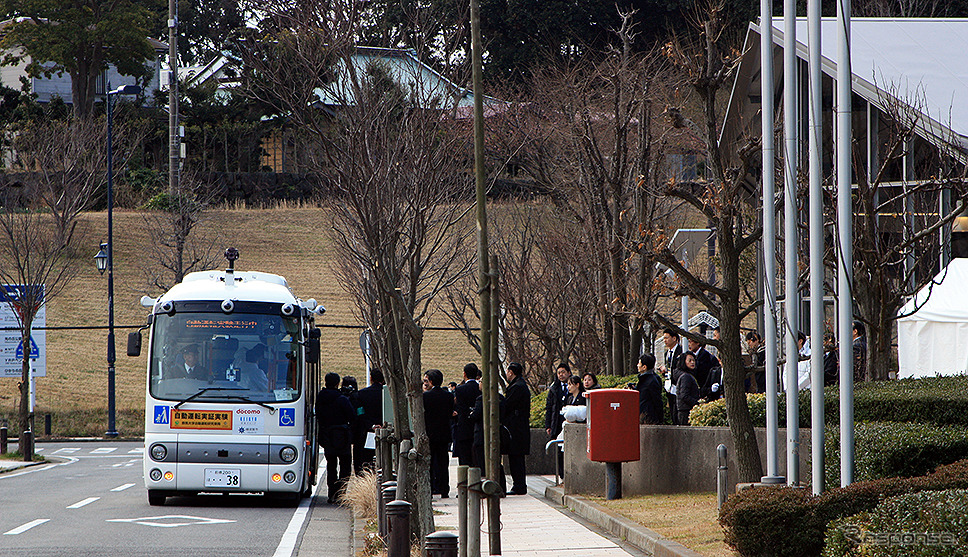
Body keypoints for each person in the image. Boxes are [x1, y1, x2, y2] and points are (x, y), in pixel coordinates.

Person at [316, 372, 355, 503]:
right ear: (337, 383)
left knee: (331, 465)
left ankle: (331, 492)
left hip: (327, 435)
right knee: (345, 466)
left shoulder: (321, 397)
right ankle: (341, 492)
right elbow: (352, 416)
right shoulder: (342, 399)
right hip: (342, 436)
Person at [423, 369, 454, 498]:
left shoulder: (425, 396)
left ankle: (429, 489)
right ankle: (444, 489)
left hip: (429, 433)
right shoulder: (448, 395)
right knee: (443, 462)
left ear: (431, 381)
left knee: (429, 463)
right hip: (444, 433)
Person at [501, 362, 531, 495]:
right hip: (519, 427)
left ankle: (519, 485)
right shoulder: (519, 385)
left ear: (511, 372)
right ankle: (518, 485)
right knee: (516, 458)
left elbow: (508, 406)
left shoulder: (517, 387)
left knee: (516, 458)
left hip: (516, 428)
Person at [355, 368, 385, 473]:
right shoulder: (388, 394)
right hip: (386, 430)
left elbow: (360, 414)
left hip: (367, 432)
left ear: (371, 378)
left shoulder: (362, 394)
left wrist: (371, 425)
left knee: (366, 463)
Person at [453, 363, 481, 466]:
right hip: (478, 427)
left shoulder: (460, 389)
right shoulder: (480, 388)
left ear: (464, 374)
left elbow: (460, 408)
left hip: (464, 427)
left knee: (465, 458)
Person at [658, 328, 683, 424]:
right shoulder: (667, 353)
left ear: (674, 338)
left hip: (677, 384)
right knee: (672, 410)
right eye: (663, 338)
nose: (665, 341)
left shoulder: (681, 351)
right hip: (669, 385)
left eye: (667, 338)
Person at [341, 375, 364, 471]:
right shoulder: (358, 397)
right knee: (358, 454)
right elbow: (361, 413)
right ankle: (357, 470)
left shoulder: (340, 397)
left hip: (342, 430)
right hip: (357, 430)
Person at [632, 354, 663, 424]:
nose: (637, 365)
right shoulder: (643, 379)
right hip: (643, 414)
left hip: (648, 417)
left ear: (644, 367)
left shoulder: (652, 381)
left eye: (639, 363)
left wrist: (660, 418)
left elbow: (657, 401)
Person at [544, 363, 571, 437]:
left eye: (563, 372)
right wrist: (548, 425)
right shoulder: (554, 388)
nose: (561, 375)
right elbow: (549, 407)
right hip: (556, 421)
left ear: (569, 373)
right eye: (559, 373)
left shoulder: (574, 387)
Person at [676, 352, 701, 425]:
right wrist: (697, 403)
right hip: (685, 411)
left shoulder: (689, 375)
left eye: (693, 360)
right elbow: (684, 395)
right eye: (689, 360)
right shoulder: (685, 377)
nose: (692, 362)